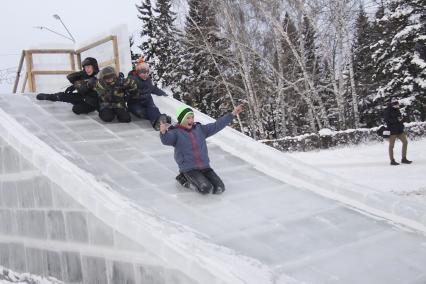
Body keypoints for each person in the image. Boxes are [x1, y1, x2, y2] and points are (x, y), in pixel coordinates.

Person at [159, 104, 244, 194]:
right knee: (206, 188)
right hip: (189, 168)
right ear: (181, 119)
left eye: (192, 117)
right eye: (188, 118)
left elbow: (217, 125)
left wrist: (232, 114)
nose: (191, 120)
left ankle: (201, 178)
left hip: (205, 166)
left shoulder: (200, 129)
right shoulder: (176, 132)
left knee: (219, 188)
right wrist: (163, 132)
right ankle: (183, 179)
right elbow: (166, 140)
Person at [127, 62, 170, 130]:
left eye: (147, 73)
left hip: (147, 99)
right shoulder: (132, 80)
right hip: (135, 101)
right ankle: (161, 118)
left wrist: (162, 93)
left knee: (153, 108)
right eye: (143, 73)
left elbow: (152, 88)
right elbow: (126, 90)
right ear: (138, 72)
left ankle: (157, 121)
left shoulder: (148, 80)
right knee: (140, 112)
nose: (145, 75)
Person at [383, 99, 412, 165]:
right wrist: (397, 120)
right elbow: (387, 120)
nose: (397, 106)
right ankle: (392, 160)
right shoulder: (387, 110)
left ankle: (404, 158)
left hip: (399, 130)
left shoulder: (397, 109)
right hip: (392, 131)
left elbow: (399, 117)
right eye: (396, 105)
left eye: (398, 105)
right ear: (392, 104)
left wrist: (402, 119)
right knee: (391, 146)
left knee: (405, 142)